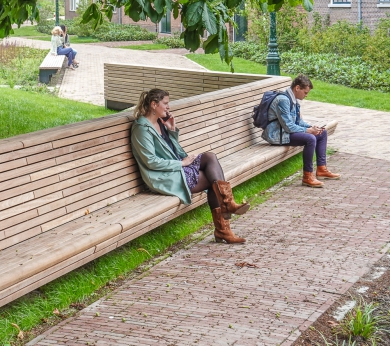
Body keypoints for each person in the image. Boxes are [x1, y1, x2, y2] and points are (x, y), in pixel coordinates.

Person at [130, 88, 250, 244]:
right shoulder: (142, 129)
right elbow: (150, 161)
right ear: (154, 105)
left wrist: (172, 130)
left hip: (177, 168)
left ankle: (227, 208)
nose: (168, 107)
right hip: (163, 176)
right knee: (212, 180)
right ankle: (224, 223)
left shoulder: (160, 123)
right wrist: (182, 163)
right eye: (165, 103)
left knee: (210, 157)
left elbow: (173, 150)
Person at [261, 74, 340, 188]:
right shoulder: (283, 100)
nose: (306, 95)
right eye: (305, 92)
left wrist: (312, 127)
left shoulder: (293, 100)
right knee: (310, 138)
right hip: (277, 135)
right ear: (297, 88)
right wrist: (308, 131)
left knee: (322, 133)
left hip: (286, 133)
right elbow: (288, 126)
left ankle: (322, 170)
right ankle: (307, 176)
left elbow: (298, 121)